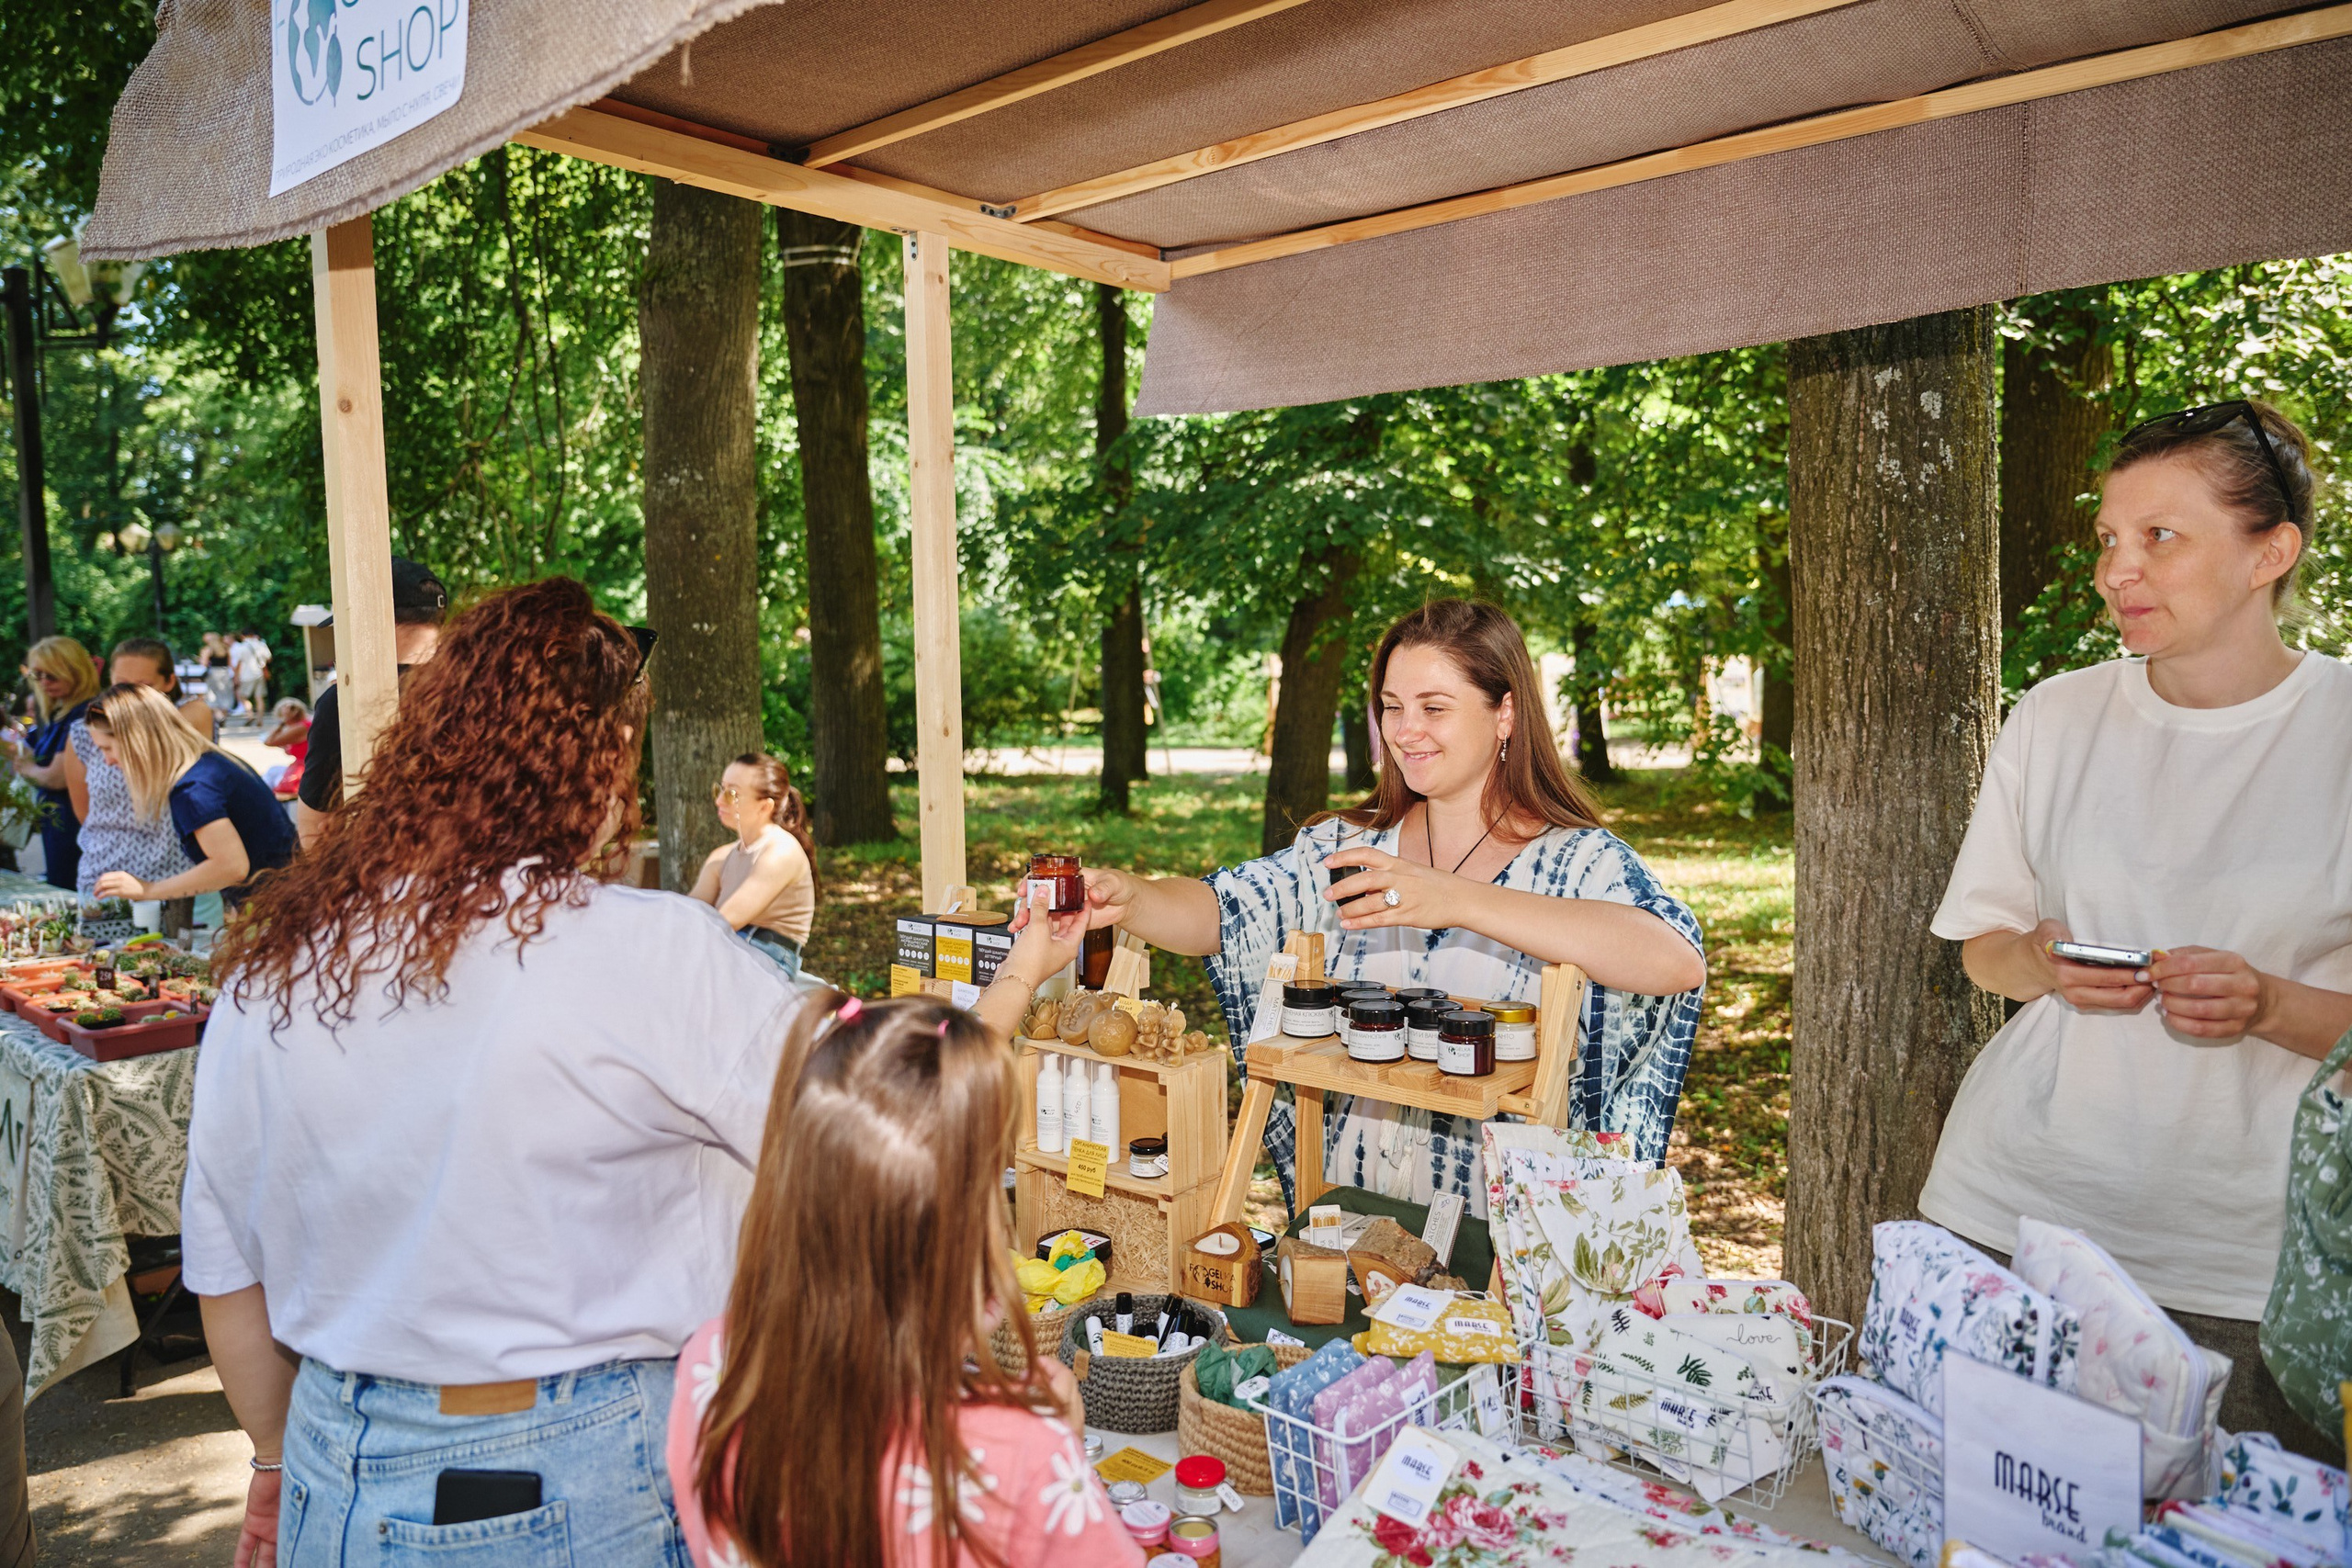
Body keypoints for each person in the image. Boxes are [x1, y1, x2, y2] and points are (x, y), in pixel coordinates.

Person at [186, 579, 796, 1567]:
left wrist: (272, 1456)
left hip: (332, 1465)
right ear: (595, 768)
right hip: (583, 1469)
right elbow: (865, 1149)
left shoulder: (276, 967)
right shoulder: (651, 951)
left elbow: (226, 1276)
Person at [1922, 399, 2351, 1461]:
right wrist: (2042, 963)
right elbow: (1985, 950)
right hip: (2013, 1220)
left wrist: (2267, 1004)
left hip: (2252, 1272)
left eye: (2159, 537)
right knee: (1983, 1524)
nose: (2118, 570)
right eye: (2109, 538)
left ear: (2270, 553)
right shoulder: (2054, 717)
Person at [1074, 599, 1707, 1214]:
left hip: (1509, 1240)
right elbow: (1224, 911)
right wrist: (1133, 897)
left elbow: (1674, 960)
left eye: (1434, 707)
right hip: (1356, 1216)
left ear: (1505, 714)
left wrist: (1457, 899)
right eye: (1392, 706)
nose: (1404, 732)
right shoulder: (1348, 848)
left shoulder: (1577, 863)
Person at [668, 919, 1142, 1568]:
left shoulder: (712, 1368)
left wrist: (1024, 970)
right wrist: (1062, 1450)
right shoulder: (1018, 1457)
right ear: (964, 1232)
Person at [85, 684, 296, 914]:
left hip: (285, 910)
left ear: (136, 740)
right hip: (288, 901)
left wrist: (148, 890)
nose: (107, 761)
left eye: (108, 748)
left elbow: (231, 867)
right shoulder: (206, 764)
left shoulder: (193, 789)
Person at [297, 558, 447, 846]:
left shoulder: (345, 702)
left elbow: (314, 829)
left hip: (391, 865)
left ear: (368, 619)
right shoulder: (485, 689)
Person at [63, 642, 209, 912]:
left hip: (179, 882)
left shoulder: (189, 718)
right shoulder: (85, 732)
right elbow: (85, 813)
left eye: (143, 686)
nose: (129, 695)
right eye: (122, 684)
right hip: (105, 880)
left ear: (169, 682)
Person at [687, 753, 817, 980]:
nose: (719, 801)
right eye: (720, 789)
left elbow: (726, 921)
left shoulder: (781, 851)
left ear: (765, 807)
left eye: (732, 794)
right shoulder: (721, 857)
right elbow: (688, 913)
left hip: (766, 961)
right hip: (733, 951)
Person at [9, 637, 100, 890]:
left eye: (52, 675)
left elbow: (58, 777)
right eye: (38, 676)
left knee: (69, 892)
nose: (44, 682)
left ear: (75, 671)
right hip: (59, 825)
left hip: (73, 826)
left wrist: (27, 768)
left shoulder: (82, 714)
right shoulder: (63, 713)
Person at [263, 698, 311, 801]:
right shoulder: (302, 726)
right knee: (272, 771)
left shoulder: (301, 727)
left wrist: (282, 723)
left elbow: (268, 741)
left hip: (305, 768)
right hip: (302, 766)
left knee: (271, 777)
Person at [229, 629, 270, 721]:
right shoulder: (261, 644)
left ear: (242, 636)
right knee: (259, 697)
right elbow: (269, 659)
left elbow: (238, 664)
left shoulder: (242, 647)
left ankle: (250, 714)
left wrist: (236, 676)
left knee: (243, 697)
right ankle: (260, 718)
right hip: (260, 674)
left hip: (246, 675)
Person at [201, 631, 233, 720]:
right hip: (225, 672)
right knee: (225, 694)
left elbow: (204, 663)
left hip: (213, 672)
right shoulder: (226, 649)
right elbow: (230, 664)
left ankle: (219, 716)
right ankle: (224, 715)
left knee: (212, 694)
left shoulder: (209, 650)